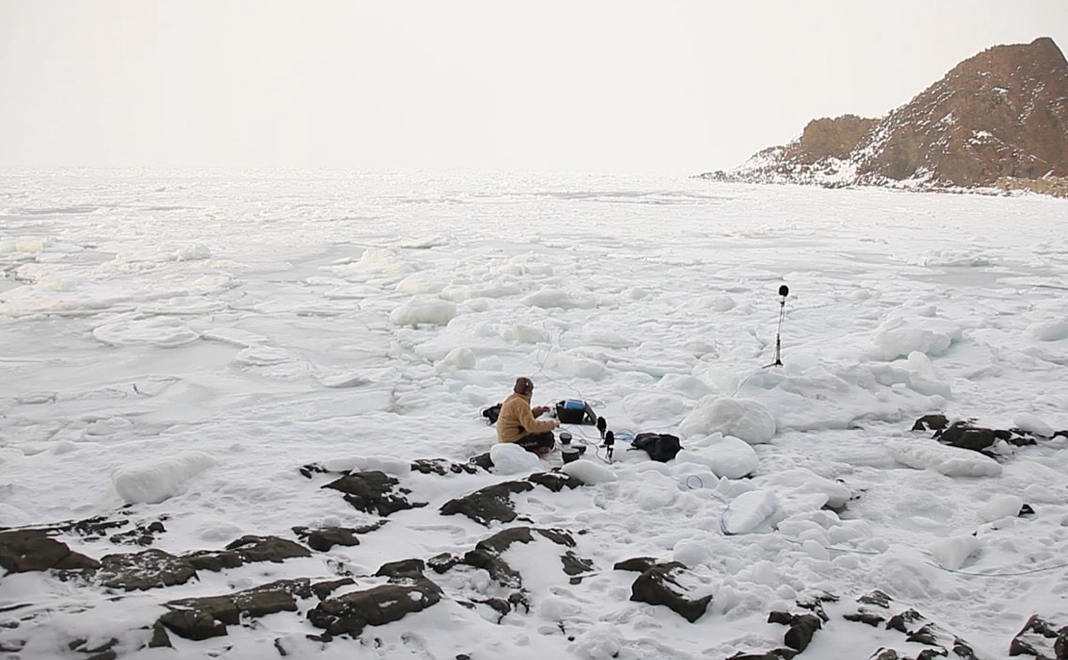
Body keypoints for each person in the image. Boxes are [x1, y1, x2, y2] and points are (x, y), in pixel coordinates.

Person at [496, 377, 559, 454]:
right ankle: (531, 450)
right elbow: (531, 426)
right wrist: (552, 424)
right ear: (527, 392)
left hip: (508, 436)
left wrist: (537, 412)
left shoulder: (513, 398)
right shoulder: (521, 403)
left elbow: (521, 418)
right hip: (512, 441)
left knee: (542, 433)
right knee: (547, 438)